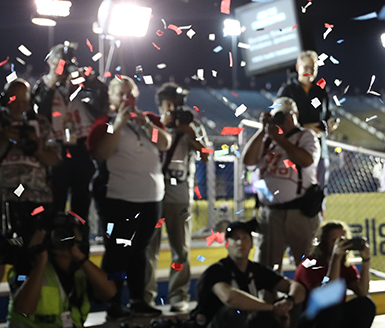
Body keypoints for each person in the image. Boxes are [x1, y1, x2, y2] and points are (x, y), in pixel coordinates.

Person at [87, 76, 172, 320]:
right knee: (118, 251)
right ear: (112, 98)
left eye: (130, 94)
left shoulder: (149, 120)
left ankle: (137, 299)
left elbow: (165, 143)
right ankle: (113, 303)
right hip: (119, 197)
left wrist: (146, 124)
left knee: (140, 250)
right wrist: (119, 124)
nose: (126, 99)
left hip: (151, 197)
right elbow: (101, 152)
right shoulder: (105, 122)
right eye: (121, 94)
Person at [0, 79, 61, 301]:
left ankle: (24, 305)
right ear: (5, 99)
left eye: (24, 101)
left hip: (36, 197)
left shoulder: (40, 123)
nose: (19, 106)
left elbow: (54, 158)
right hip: (2, 196)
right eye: (14, 99)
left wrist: (36, 147)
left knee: (31, 253)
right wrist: (3, 136)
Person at [32, 42, 108, 253]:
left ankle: (81, 249)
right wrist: (53, 82)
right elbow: (39, 110)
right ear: (50, 63)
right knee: (54, 204)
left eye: (68, 63)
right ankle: (52, 250)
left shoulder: (83, 84)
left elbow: (103, 105)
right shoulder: (43, 85)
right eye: (60, 63)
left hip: (82, 149)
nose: (64, 68)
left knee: (81, 205)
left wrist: (87, 84)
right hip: (55, 149)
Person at [144, 83, 210, 313]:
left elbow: (206, 156)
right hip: (152, 192)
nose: (173, 108)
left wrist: (189, 133)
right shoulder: (154, 124)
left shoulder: (193, 126)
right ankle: (146, 296)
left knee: (180, 249)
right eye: (169, 104)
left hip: (180, 194)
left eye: (177, 104)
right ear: (161, 106)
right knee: (149, 248)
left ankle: (178, 295)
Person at [240, 97, 321, 273]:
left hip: (299, 213)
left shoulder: (306, 136)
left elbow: (306, 161)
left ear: (296, 115)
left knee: (308, 266)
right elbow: (248, 161)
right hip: (270, 214)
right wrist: (262, 130)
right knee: (267, 268)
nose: (282, 120)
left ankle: (305, 291)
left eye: (285, 115)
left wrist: (281, 139)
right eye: (278, 116)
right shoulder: (267, 140)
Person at [189, 219, 305, 328]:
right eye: (235, 239)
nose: (240, 242)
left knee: (293, 305)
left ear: (251, 244)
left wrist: (289, 301)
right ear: (227, 244)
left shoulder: (256, 269)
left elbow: (296, 287)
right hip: (215, 323)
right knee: (236, 312)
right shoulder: (217, 270)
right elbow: (230, 298)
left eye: (245, 238)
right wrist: (271, 308)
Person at [6, 214, 117, 327]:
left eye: (69, 235)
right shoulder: (27, 267)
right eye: (58, 235)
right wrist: (41, 259)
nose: (63, 239)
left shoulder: (80, 271)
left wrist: (79, 256)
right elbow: (24, 309)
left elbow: (109, 292)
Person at [293, 221, 375, 328]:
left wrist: (366, 260)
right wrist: (335, 258)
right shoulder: (309, 263)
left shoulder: (345, 266)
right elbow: (327, 295)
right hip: (310, 317)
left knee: (366, 304)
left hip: (334, 315)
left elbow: (363, 292)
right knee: (332, 309)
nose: (339, 243)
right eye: (334, 240)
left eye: (342, 239)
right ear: (324, 242)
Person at [277, 51, 338, 184]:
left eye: (313, 68)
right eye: (306, 67)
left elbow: (328, 115)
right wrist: (304, 128)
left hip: (319, 149)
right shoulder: (287, 91)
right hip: (295, 148)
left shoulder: (321, 92)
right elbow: (279, 119)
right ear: (298, 67)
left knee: (319, 189)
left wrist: (330, 123)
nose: (309, 71)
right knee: (294, 187)